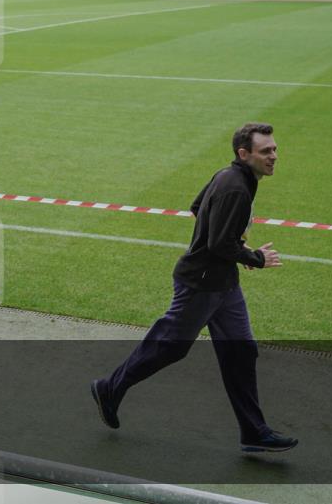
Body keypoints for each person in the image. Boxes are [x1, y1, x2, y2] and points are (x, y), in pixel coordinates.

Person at [91, 123, 298, 453]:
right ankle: (110, 388)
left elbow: (197, 207)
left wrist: (237, 248)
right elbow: (218, 244)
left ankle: (253, 431)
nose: (274, 156)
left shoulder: (232, 176)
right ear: (244, 154)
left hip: (223, 284)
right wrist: (254, 257)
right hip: (201, 285)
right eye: (266, 151)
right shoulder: (236, 188)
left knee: (241, 350)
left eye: (274, 149)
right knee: (170, 346)